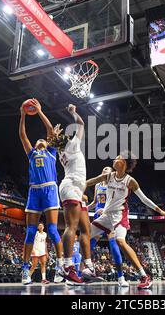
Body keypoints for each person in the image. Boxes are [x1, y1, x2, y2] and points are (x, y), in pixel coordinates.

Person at [86, 151, 165, 289]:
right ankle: (79, 268)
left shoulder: (130, 181)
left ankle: (144, 276)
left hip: (120, 215)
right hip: (107, 215)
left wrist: (160, 210)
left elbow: (144, 199)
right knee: (84, 236)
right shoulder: (109, 176)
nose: (115, 159)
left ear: (124, 163)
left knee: (120, 241)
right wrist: (78, 187)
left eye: (118, 158)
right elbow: (91, 181)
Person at [50, 104, 97, 285]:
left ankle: (87, 266)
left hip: (76, 189)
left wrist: (54, 136)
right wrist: (73, 112)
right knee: (72, 226)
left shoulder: (62, 149)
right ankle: (68, 266)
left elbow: (55, 141)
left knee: (86, 228)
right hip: (70, 187)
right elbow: (81, 124)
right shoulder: (71, 145)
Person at [19, 98, 64, 285]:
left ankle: (61, 266)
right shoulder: (31, 154)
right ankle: (24, 270)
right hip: (34, 191)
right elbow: (23, 135)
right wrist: (22, 115)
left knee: (53, 230)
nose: (40, 140)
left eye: (43, 140)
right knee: (30, 232)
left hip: (50, 189)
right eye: (38, 140)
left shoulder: (51, 152)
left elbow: (50, 131)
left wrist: (39, 112)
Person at [87, 166, 128, 287]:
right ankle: (82, 273)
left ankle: (121, 277)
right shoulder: (97, 185)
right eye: (103, 168)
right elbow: (95, 203)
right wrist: (85, 208)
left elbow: (117, 203)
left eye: (107, 169)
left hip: (110, 216)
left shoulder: (114, 186)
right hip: (98, 216)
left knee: (113, 242)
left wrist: (104, 210)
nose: (104, 170)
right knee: (88, 242)